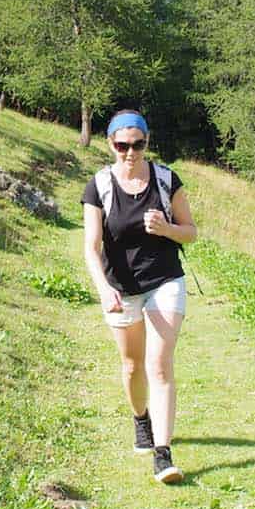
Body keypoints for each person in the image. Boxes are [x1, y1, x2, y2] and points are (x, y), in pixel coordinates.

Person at [82, 109, 197, 483]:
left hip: (164, 280)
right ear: (110, 144)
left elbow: (191, 232)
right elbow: (91, 246)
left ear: (147, 142)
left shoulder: (166, 179)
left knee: (159, 364)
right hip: (120, 287)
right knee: (132, 366)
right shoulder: (98, 186)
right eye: (122, 145)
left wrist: (166, 228)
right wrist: (104, 289)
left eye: (138, 145)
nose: (130, 153)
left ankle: (163, 455)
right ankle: (141, 419)